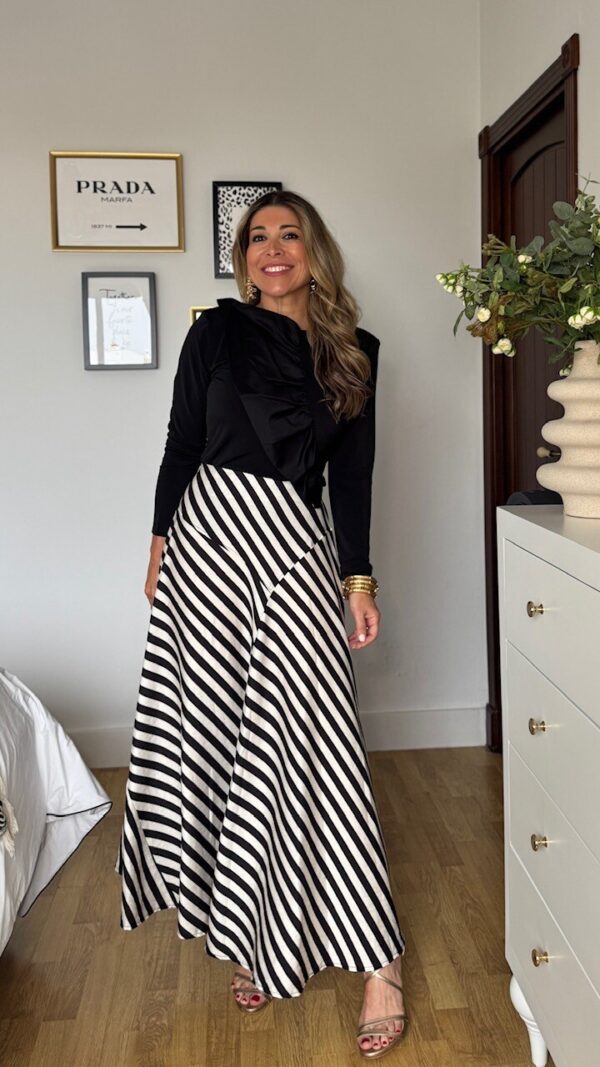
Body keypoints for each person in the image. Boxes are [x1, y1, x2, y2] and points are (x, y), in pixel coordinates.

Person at [115, 190, 408, 1058]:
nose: (272, 248)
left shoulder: (355, 351)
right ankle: (255, 933)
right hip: (206, 543)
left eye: (289, 235)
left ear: (315, 252)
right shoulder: (214, 333)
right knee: (221, 742)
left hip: (291, 546)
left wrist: (358, 578)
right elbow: (180, 441)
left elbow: (352, 475)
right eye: (257, 237)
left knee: (317, 745)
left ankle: (380, 963)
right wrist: (160, 543)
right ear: (243, 258)